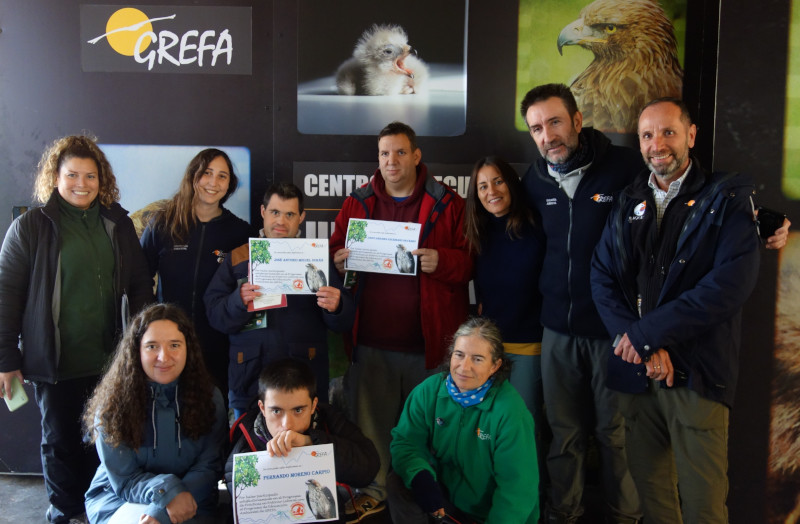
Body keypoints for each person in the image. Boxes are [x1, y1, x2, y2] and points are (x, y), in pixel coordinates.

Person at [590, 98, 762, 523]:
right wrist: (641, 346)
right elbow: (602, 277)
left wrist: (647, 337)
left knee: (704, 505)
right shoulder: (629, 199)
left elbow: (726, 287)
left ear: (691, 135)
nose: (657, 144)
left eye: (668, 132)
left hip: (697, 376)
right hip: (639, 375)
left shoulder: (728, 199)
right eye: (647, 135)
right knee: (654, 499)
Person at [0, 135, 153, 524]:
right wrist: (6, 359)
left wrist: (141, 345)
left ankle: (100, 511)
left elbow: (139, 287)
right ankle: (67, 514)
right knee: (61, 444)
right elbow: (6, 298)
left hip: (111, 363)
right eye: (72, 175)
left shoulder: (118, 224)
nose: (81, 183)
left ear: (102, 180)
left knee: (107, 444)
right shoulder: (30, 227)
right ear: (55, 177)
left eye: (90, 175)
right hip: (56, 363)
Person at [329, 121, 472, 516]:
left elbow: (470, 260)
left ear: (416, 156)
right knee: (370, 430)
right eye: (384, 153)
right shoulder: (357, 202)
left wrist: (443, 261)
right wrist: (338, 260)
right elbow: (335, 250)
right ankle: (373, 495)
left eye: (399, 152)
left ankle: (428, 499)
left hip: (429, 344)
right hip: (371, 342)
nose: (391, 161)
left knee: (429, 431)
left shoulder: (448, 201)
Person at [520, 84, 644, 524]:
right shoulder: (533, 180)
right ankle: (563, 512)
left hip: (614, 331)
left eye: (554, 122)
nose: (547, 135)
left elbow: (686, 196)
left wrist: (756, 218)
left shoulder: (626, 166)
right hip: (556, 330)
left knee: (615, 434)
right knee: (564, 434)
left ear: (577, 119)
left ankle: (625, 516)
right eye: (536, 128)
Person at [205, 182, 354, 415]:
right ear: (263, 212)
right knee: (250, 449)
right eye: (275, 212)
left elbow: (344, 322)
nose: (281, 222)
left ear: (301, 217)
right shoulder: (238, 257)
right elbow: (214, 314)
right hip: (250, 382)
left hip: (304, 382)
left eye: (289, 214)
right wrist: (238, 300)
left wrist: (337, 307)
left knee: (304, 448)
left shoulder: (317, 259)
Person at [84, 303, 227, 524]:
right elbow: (124, 479)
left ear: (188, 348)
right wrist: (166, 494)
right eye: (152, 346)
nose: (164, 356)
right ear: (136, 351)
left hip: (192, 499)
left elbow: (209, 466)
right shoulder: (112, 404)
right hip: (121, 498)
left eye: (174, 345)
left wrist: (167, 508)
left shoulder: (210, 397)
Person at [388, 317, 539, 523]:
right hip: (444, 503)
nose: (464, 367)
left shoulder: (510, 412)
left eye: (477, 359)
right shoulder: (428, 391)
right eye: (459, 355)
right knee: (399, 480)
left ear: (495, 366)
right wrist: (420, 476)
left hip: (491, 515)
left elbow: (518, 488)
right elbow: (406, 442)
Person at [140, 148, 255, 396]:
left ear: (230, 184)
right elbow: (139, 277)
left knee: (212, 416)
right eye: (207, 173)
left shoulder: (239, 233)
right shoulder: (163, 224)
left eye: (222, 176)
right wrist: (152, 323)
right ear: (193, 176)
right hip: (167, 346)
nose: (213, 182)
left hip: (217, 344)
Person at [464, 156, 547, 481]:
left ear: (512, 183)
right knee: (487, 431)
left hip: (529, 348)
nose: (491, 191)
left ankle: (528, 505)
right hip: (490, 354)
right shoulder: (481, 234)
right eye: (483, 186)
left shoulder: (537, 229)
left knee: (524, 431)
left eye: (497, 181)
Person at [225, 358, 380, 515]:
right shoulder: (246, 442)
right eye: (276, 411)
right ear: (262, 408)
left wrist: (313, 444)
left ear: (313, 406)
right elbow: (241, 500)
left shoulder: (328, 420)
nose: (287, 425)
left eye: (298, 410)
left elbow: (368, 469)